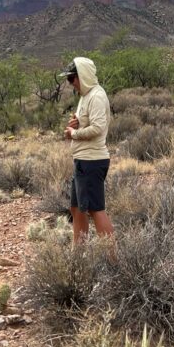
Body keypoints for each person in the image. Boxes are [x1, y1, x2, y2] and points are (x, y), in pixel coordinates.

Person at [60, 57, 114, 244]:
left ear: (82, 76)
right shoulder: (85, 96)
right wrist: (77, 124)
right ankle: (78, 254)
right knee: (77, 208)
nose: (71, 83)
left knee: (95, 209)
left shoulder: (97, 96)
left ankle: (112, 260)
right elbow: (88, 124)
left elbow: (98, 128)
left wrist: (74, 133)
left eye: (72, 78)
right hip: (83, 160)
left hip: (92, 160)